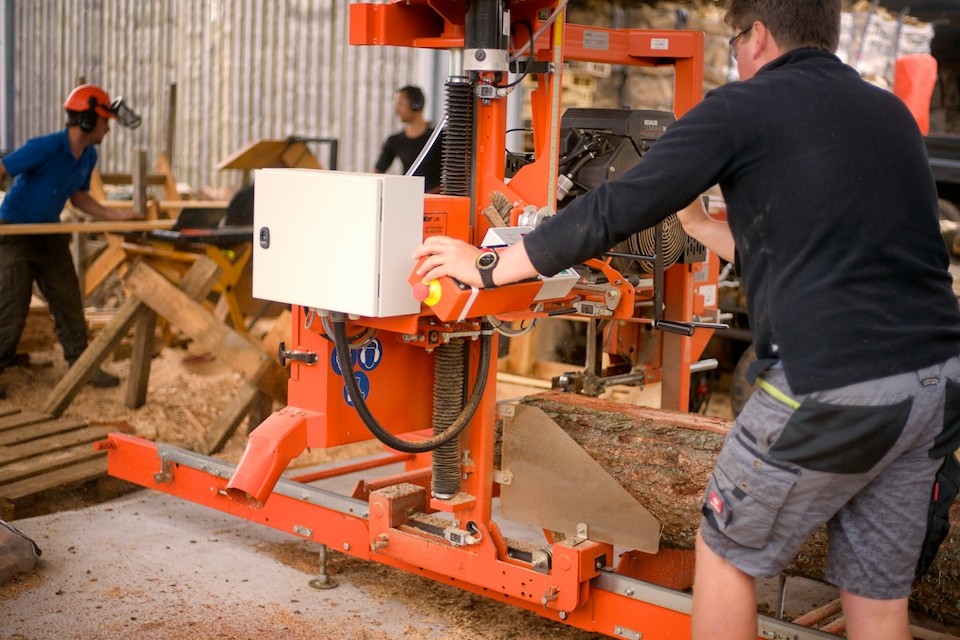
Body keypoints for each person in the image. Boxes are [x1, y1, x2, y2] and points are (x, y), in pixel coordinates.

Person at [413, 1, 960, 638]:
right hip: (934, 387)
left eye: (733, 43)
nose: (735, 56)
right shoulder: (885, 112)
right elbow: (819, 255)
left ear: (756, 35)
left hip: (830, 385)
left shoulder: (743, 106)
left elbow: (615, 206)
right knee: (876, 595)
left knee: (726, 555)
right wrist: (699, 225)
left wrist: (488, 266)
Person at [0, 83, 144, 399]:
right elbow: (2, 167)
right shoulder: (46, 147)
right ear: (87, 121)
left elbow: (79, 198)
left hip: (49, 233)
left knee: (68, 301)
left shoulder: (87, 157)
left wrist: (116, 217)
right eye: (105, 121)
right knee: (11, 309)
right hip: (15, 232)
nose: (108, 129)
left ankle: (82, 366)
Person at [373, 85, 442, 192]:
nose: (396, 110)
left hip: (437, 200)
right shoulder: (394, 141)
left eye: (401, 104)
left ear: (416, 104)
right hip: (408, 199)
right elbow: (376, 173)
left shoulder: (439, 137)